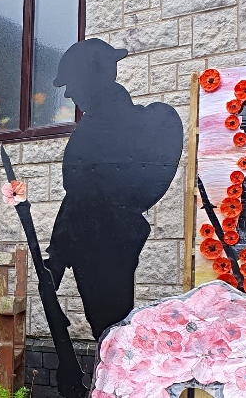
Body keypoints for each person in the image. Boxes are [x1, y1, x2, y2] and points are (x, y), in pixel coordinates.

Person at [45, 39, 184, 339]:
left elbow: (82, 198)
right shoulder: (98, 123)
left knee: (110, 332)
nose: (68, 92)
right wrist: (56, 256)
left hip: (102, 245)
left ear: (90, 78)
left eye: (71, 83)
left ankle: (112, 381)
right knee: (107, 332)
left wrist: (57, 256)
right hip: (94, 241)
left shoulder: (107, 126)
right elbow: (77, 198)